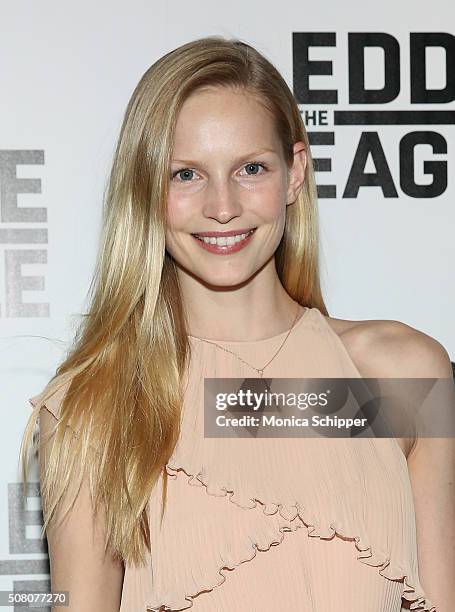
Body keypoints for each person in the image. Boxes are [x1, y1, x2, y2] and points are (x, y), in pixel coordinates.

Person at [20, 35, 454, 612]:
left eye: (251, 168)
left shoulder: (401, 373)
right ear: (147, 189)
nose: (222, 206)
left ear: (295, 172)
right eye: (185, 175)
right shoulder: (97, 404)